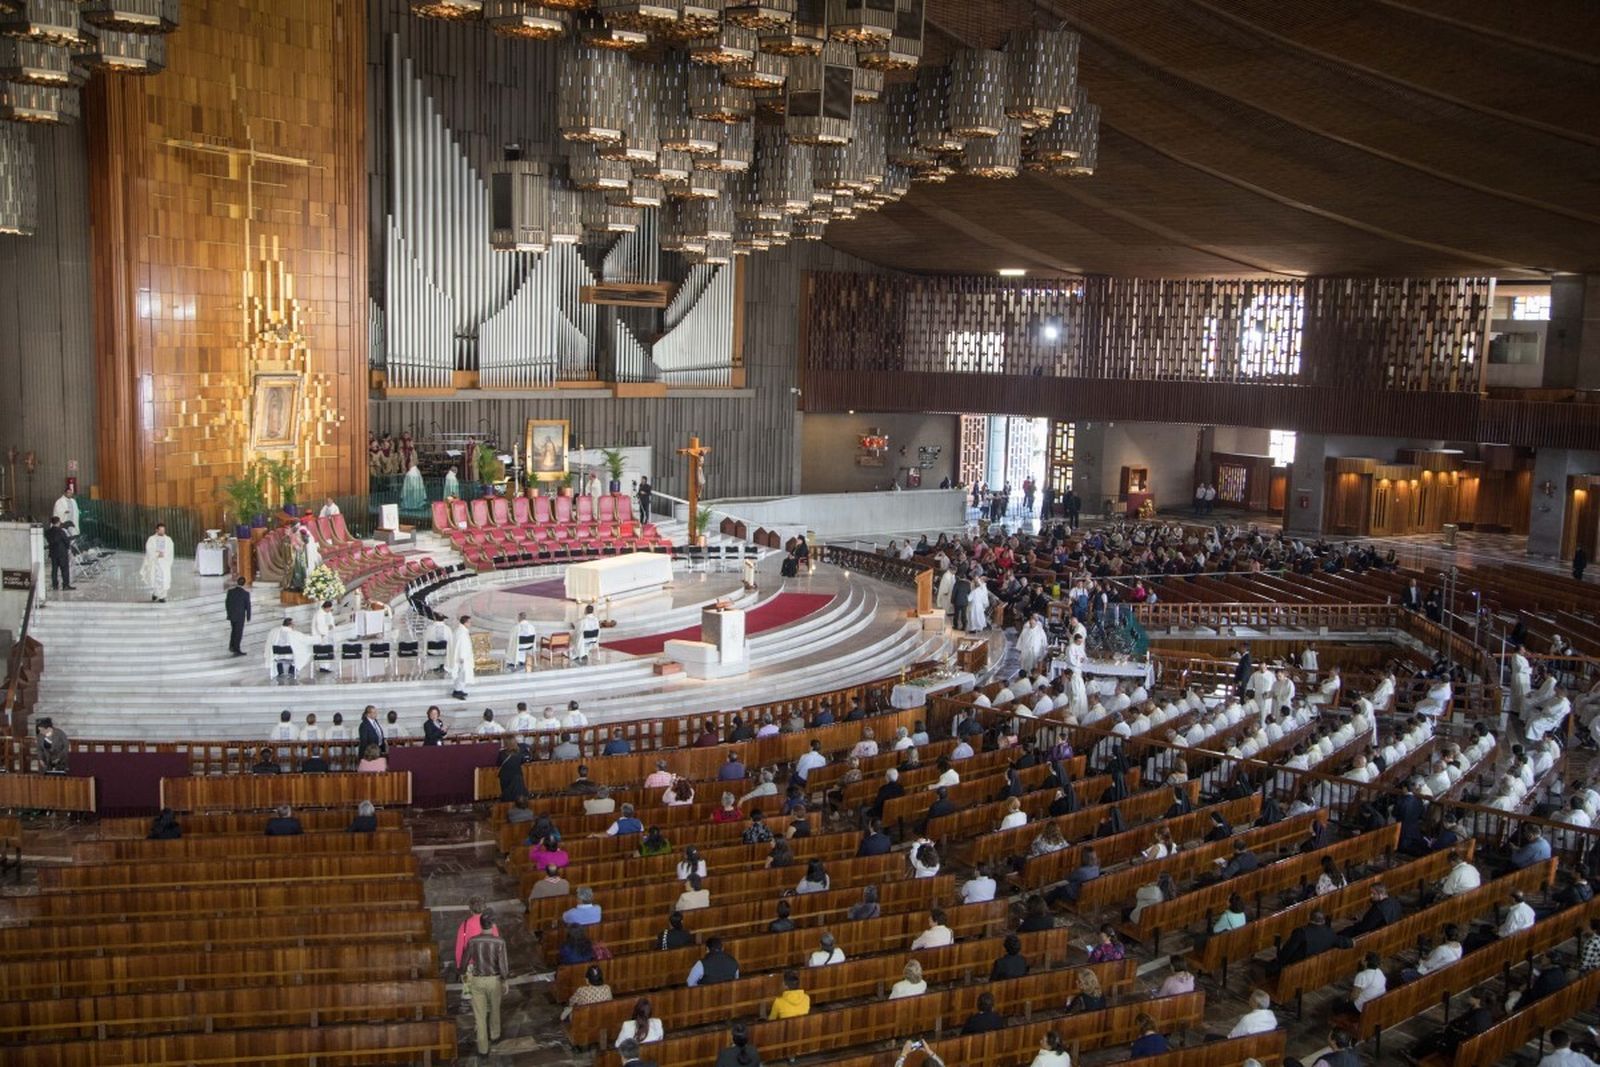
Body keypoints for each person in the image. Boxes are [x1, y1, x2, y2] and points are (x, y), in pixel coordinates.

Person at [462, 909, 510, 1057]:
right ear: (493, 924)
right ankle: (495, 1036)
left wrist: (463, 973)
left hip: (477, 980)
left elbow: (464, 962)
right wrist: (505, 980)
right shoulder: (500, 942)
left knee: (479, 1016)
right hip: (494, 980)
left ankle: (483, 1049)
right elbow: (503, 966)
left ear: (481, 924)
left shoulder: (473, 941)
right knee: (495, 1009)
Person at [140, 522, 174, 601]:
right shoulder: (151, 539)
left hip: (164, 562)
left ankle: (162, 596)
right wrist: (157, 554)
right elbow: (149, 549)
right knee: (156, 578)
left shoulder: (168, 540)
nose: (162, 532)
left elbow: (170, 550)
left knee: (164, 578)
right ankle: (156, 593)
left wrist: (164, 554)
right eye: (161, 530)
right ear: (157, 530)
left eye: (163, 530)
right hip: (155, 561)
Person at [447, 614, 475, 700]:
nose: (471, 624)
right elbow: (461, 646)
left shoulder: (460, 631)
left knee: (462, 675)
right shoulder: (461, 633)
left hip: (463, 658)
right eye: (469, 622)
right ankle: (457, 691)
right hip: (462, 659)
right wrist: (462, 657)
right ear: (465, 623)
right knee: (462, 674)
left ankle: (460, 689)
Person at [45, 516, 73, 591]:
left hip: (53, 553)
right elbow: (66, 541)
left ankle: (55, 585)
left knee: (54, 570)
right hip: (62, 553)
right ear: (58, 522)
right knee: (64, 569)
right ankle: (65, 585)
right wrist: (68, 547)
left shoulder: (47, 532)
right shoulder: (61, 531)